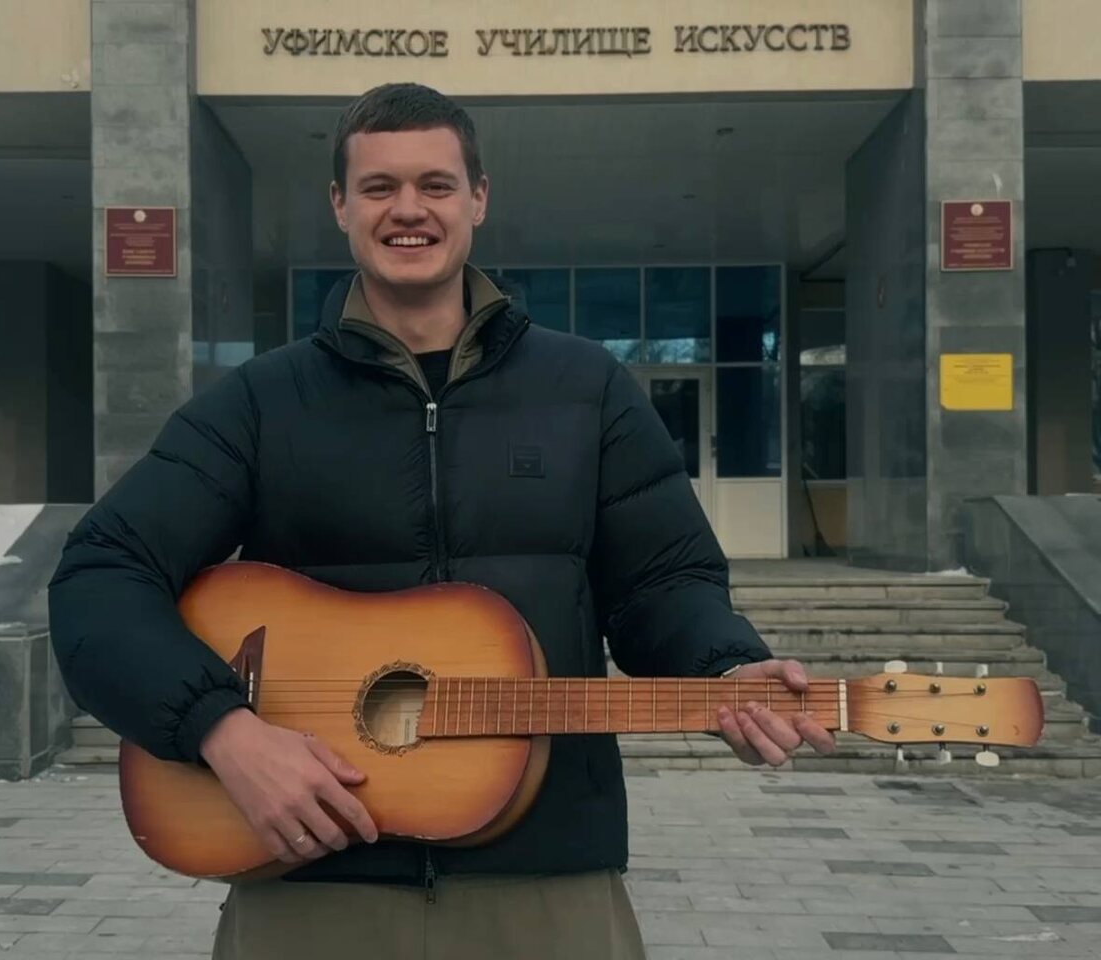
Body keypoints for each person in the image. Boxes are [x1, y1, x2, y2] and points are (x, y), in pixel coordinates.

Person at [48, 82, 836, 959]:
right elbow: (100, 575)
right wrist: (222, 731)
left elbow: (665, 583)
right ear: (340, 205)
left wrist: (722, 664)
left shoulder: (587, 389)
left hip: (549, 886)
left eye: (435, 184)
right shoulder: (261, 403)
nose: (408, 209)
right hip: (313, 888)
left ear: (478, 198)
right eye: (379, 187)